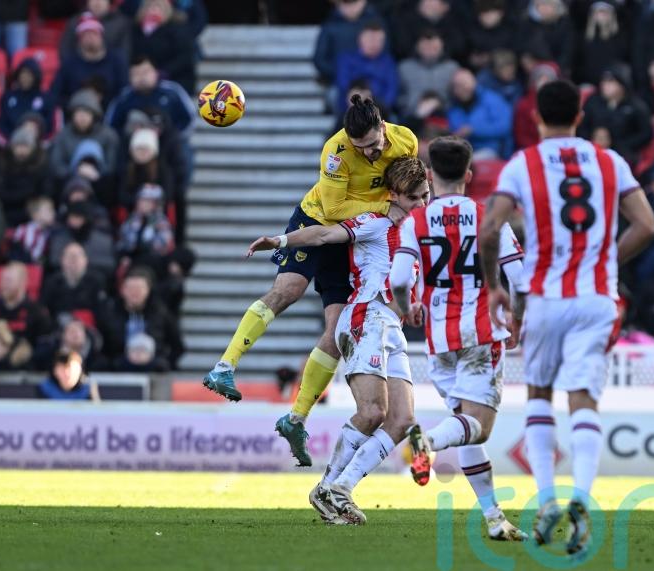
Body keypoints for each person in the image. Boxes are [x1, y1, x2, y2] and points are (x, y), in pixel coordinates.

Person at [479, 79, 654, 555]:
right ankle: (581, 497)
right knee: (583, 396)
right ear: (581, 116)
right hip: (596, 296)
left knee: (539, 391)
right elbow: (647, 224)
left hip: (546, 297)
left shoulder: (523, 165)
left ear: (537, 118)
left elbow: (491, 227)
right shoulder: (609, 161)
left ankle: (546, 499)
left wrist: (495, 286)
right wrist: (608, 261)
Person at [201, 96, 417, 467]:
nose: (367, 154)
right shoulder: (335, 151)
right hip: (316, 224)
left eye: (373, 147)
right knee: (289, 290)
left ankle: (295, 417)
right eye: (359, 148)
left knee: (336, 330)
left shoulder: (406, 141)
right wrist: (384, 209)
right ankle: (224, 367)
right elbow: (332, 211)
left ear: (383, 128)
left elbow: (405, 180)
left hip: (355, 235)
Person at [246, 157, 429, 525]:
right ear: (393, 195)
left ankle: (335, 488)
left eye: (426, 196)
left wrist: (415, 304)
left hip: (392, 325)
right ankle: (333, 488)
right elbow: (323, 234)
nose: (422, 204)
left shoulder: (418, 232)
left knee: (402, 420)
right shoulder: (374, 224)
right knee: (374, 412)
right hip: (366, 317)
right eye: (414, 198)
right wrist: (280, 239)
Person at [389, 136, 529, 542]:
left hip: (438, 337)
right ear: (470, 175)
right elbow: (518, 279)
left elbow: (399, 278)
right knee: (478, 428)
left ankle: (493, 518)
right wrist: (517, 319)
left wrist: (408, 305)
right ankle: (424, 441)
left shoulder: (415, 222)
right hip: (482, 333)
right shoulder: (489, 219)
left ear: (430, 176)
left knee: (463, 425)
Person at [105, 266, 183, 369]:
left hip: (154, 368)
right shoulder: (110, 313)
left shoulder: (160, 313)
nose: (135, 293)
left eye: (139, 289)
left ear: (148, 291)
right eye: (131, 288)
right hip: (119, 368)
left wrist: (166, 362)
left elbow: (177, 345)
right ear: (123, 290)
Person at [578, 65, 653, 166]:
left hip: (625, 158)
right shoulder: (593, 102)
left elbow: (646, 133)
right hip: (592, 155)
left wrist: (623, 145)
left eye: (610, 82)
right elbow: (582, 127)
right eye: (604, 81)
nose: (605, 85)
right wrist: (592, 142)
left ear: (622, 85)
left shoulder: (636, 105)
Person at [50, 12, 129, 108]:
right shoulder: (69, 63)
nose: (90, 38)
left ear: (101, 35)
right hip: (75, 114)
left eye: (94, 33)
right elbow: (55, 94)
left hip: (109, 114)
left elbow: (124, 92)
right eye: (85, 34)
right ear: (79, 39)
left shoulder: (116, 60)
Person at [105, 55, 196, 137]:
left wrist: (172, 136)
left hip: (170, 144)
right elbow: (111, 125)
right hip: (133, 146)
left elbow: (189, 118)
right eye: (136, 74)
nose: (141, 77)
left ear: (155, 73)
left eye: (145, 72)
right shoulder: (124, 97)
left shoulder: (172, 91)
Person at [49, 88, 121, 190]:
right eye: (78, 112)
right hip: (69, 184)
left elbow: (112, 165)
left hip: (100, 184)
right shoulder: (63, 135)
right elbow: (56, 165)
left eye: (86, 112)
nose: (82, 117)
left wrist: (96, 172)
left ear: (94, 115)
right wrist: (76, 171)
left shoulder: (108, 135)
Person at [41, 241, 109, 332]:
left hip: (89, 331)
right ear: (62, 260)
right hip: (59, 330)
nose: (73, 260)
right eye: (69, 256)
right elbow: (44, 310)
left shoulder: (97, 281)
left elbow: (102, 313)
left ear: (86, 260)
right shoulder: (51, 282)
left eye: (77, 256)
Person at [130, 0, 196, 94]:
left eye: (158, 7)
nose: (153, 11)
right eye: (150, 7)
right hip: (143, 78)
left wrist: (162, 73)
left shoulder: (178, 29)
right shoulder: (136, 31)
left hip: (174, 79)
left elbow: (185, 57)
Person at [447, 68, 513, 159]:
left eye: (464, 83)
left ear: (473, 83)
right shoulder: (453, 108)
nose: (462, 88)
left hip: (492, 150)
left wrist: (473, 130)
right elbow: (453, 131)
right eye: (457, 86)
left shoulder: (492, 99)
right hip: (462, 152)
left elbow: (504, 126)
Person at [0, 124, 50, 227]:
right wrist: (27, 193)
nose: (22, 150)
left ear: (32, 148)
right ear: (12, 147)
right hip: (5, 210)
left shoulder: (40, 165)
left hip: (31, 213)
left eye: (25, 146)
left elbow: (44, 191)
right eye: (18, 146)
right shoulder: (3, 163)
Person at [335, 22, 398, 115]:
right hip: (352, 104)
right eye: (371, 39)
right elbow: (343, 84)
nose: (375, 44)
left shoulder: (388, 61)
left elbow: (392, 88)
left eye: (379, 40)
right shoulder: (346, 58)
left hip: (380, 108)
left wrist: (380, 106)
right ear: (360, 39)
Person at [313, 0, 384, 83]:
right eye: (346, 2)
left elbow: (385, 55)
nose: (351, 7)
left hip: (371, 81)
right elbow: (320, 59)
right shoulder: (330, 25)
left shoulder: (376, 23)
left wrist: (367, 73)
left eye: (354, 2)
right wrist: (342, 73)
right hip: (338, 81)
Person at [0, 262, 53, 347]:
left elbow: (45, 347)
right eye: (2, 280)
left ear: (22, 283)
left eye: (8, 280)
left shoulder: (37, 313)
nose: (3, 285)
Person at [397, 29, 458, 116]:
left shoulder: (452, 68)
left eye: (434, 47)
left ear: (441, 46)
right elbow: (398, 98)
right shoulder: (404, 68)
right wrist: (416, 105)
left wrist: (440, 104)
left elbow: (458, 98)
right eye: (426, 47)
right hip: (412, 116)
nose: (430, 50)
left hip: (446, 117)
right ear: (417, 46)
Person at [0, 57, 54, 142]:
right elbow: (2, 124)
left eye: (29, 75)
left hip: (39, 145)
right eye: (23, 74)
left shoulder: (46, 98)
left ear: (36, 76)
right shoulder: (7, 97)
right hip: (11, 144)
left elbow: (50, 125)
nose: (25, 78)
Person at [59, 0, 132, 61]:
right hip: (80, 71)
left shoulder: (121, 23)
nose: (97, 2)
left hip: (110, 72)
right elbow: (65, 51)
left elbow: (125, 53)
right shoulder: (75, 21)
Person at [10, 196, 56, 265]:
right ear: (36, 214)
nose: (53, 213)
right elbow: (16, 251)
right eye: (49, 210)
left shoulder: (50, 232)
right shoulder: (23, 230)